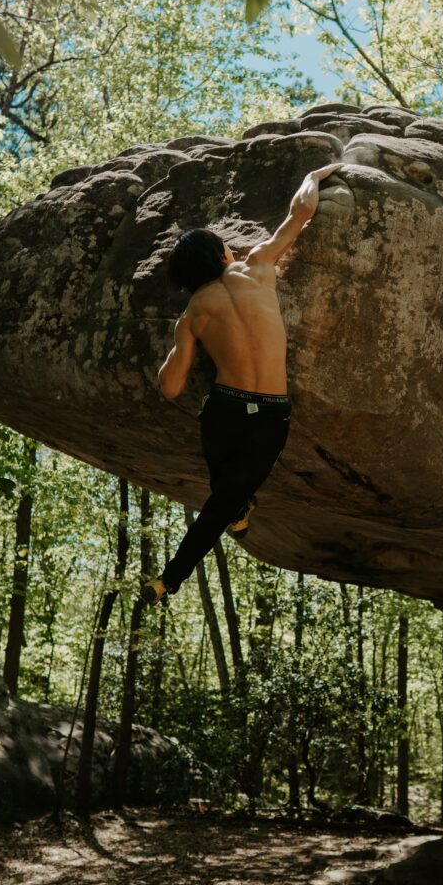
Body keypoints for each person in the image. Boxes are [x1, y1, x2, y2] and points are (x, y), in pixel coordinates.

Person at [140, 162, 343, 605]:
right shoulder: (258, 266)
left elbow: (170, 387)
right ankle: (186, 562)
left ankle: (184, 565)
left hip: (225, 412)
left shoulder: (192, 313)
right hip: (268, 413)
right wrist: (316, 173)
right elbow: (300, 212)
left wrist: (176, 347)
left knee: (224, 495)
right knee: (226, 497)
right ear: (220, 254)